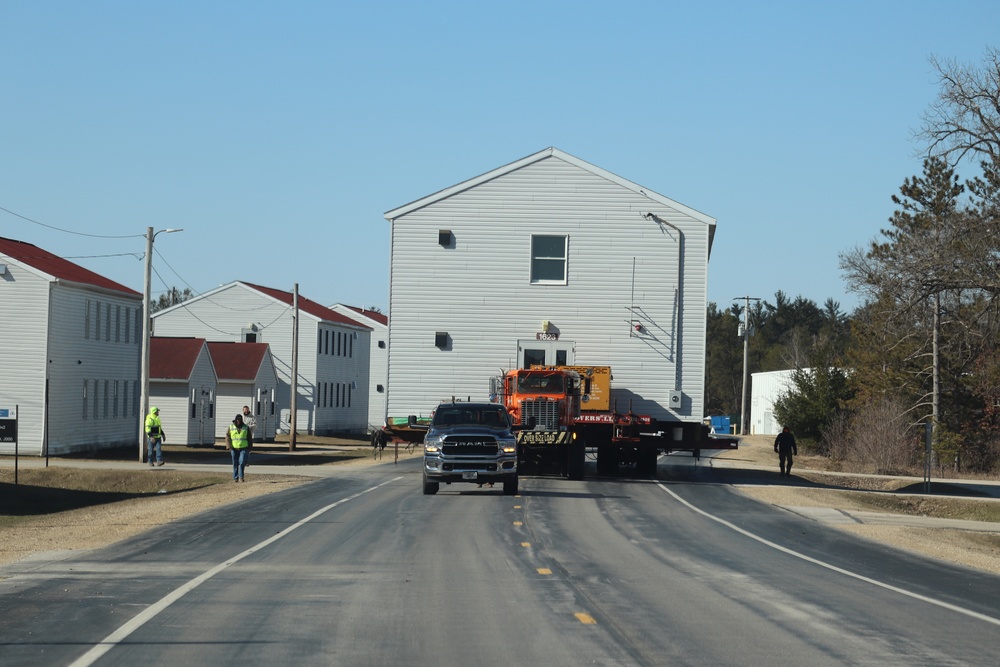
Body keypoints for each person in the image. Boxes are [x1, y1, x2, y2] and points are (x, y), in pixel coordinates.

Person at [226, 413, 253, 482]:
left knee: (241, 462)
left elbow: (249, 438)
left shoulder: (245, 427)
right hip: (234, 448)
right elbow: (227, 436)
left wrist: (250, 447)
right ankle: (235, 477)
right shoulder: (231, 427)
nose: (238, 421)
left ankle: (241, 477)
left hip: (243, 447)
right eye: (237, 420)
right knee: (235, 463)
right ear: (235, 420)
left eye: (240, 420)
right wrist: (228, 446)